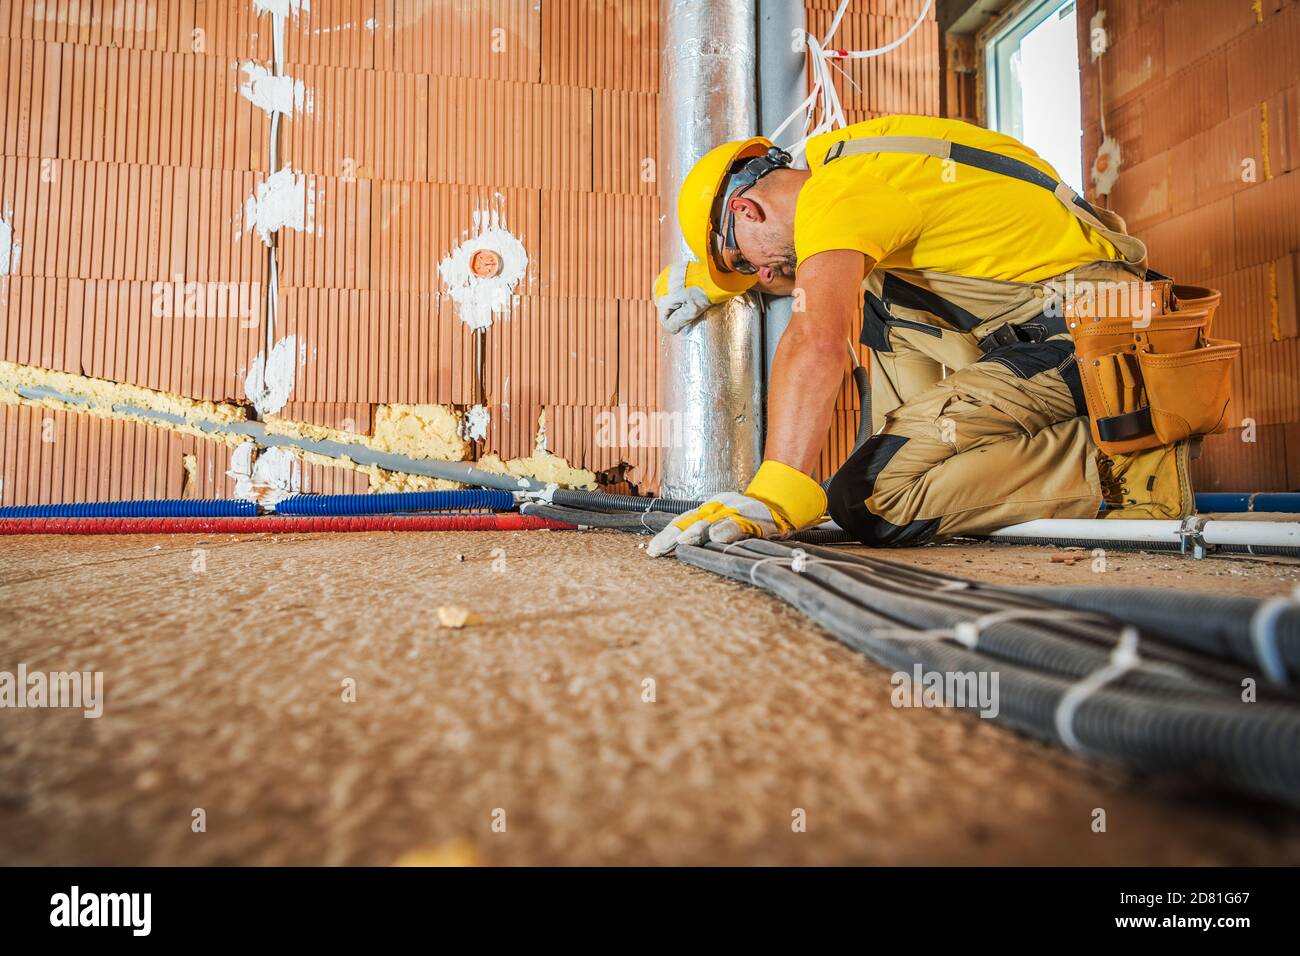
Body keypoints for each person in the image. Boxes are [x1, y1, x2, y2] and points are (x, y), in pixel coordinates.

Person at [648, 114, 1198, 558]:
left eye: (744, 260)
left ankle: (1121, 463)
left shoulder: (836, 197)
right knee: (872, 292)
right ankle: (943, 456)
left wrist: (771, 494)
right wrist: (712, 282)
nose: (761, 277)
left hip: (1100, 342)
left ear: (746, 208)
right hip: (1067, 326)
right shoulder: (854, 164)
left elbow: (815, 335)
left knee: (869, 501)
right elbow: (808, 272)